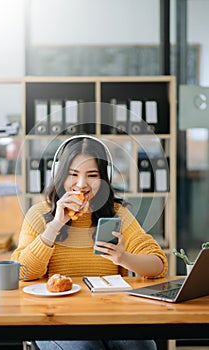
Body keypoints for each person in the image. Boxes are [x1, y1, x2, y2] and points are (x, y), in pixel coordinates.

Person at [12, 135, 168, 350]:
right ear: (59, 176)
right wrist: (56, 224)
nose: (82, 184)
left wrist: (123, 258)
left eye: (92, 175)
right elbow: (22, 272)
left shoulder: (117, 214)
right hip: (55, 318)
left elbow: (158, 264)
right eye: (73, 174)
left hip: (109, 315)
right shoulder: (38, 215)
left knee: (141, 346)